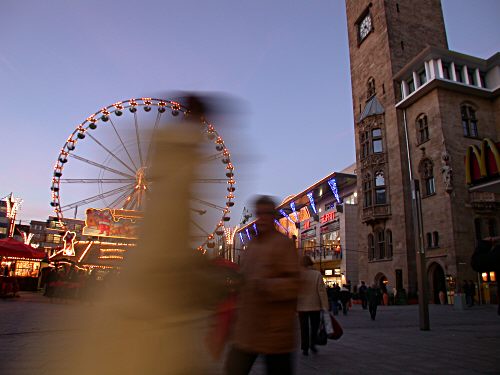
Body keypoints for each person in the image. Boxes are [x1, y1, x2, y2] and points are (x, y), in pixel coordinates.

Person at [225, 196, 300, 375]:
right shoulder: (251, 246)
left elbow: (295, 284)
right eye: (259, 213)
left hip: (276, 333)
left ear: (273, 216)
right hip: (247, 329)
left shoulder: (283, 245)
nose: (262, 218)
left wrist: (266, 285)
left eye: (267, 213)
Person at [297, 255, 328, 356]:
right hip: (315, 305)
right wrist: (325, 306)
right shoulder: (317, 274)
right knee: (314, 326)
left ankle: (304, 347)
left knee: (304, 327)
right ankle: (313, 344)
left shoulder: (298, 275)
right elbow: (321, 291)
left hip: (301, 305)